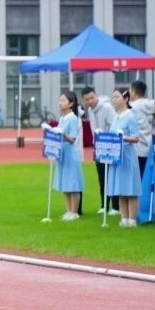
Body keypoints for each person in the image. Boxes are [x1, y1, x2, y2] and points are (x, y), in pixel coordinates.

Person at [106, 89, 142, 227]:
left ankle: (132, 219)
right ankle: (124, 218)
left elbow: (136, 137)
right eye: (113, 97)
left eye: (117, 97)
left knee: (130, 188)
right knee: (121, 188)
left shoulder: (130, 116)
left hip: (127, 155)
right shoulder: (116, 116)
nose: (114, 99)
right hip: (117, 156)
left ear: (126, 99)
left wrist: (123, 138)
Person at [81, 86, 117, 215]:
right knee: (102, 177)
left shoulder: (107, 108)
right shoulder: (90, 110)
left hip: (110, 146)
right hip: (98, 147)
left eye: (92, 97)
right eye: (87, 99)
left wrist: (105, 137)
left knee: (112, 176)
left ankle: (116, 207)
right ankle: (104, 205)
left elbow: (114, 125)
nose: (90, 101)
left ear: (96, 95)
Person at [51, 92, 84, 220]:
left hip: (70, 153)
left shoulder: (73, 118)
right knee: (65, 182)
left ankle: (74, 212)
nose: (60, 103)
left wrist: (63, 134)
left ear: (71, 104)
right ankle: (68, 210)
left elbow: (72, 139)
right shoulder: (62, 118)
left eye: (63, 100)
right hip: (62, 152)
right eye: (60, 100)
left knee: (72, 183)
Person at [129, 80, 155, 177]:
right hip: (148, 146)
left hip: (137, 148)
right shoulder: (151, 104)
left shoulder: (132, 107)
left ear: (133, 92)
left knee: (137, 178)